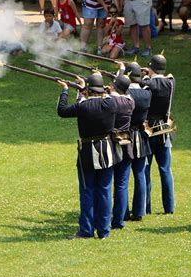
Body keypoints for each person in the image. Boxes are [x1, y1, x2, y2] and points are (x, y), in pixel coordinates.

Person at [57, 73, 117, 239]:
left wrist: (65, 90)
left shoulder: (83, 106)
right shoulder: (111, 104)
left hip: (88, 152)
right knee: (104, 191)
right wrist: (84, 88)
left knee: (87, 191)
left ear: (89, 90)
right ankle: (104, 231)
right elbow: (105, 95)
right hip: (107, 150)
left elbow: (62, 111)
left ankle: (86, 230)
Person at [143, 54, 175, 215]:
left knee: (145, 170)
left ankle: (145, 207)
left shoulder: (147, 84)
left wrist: (144, 75)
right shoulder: (170, 82)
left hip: (148, 129)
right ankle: (169, 207)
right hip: (164, 129)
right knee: (165, 169)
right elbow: (167, 77)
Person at [122, 61, 152, 221]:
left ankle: (123, 212)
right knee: (140, 175)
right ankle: (139, 211)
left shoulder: (125, 94)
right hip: (141, 135)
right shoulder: (147, 93)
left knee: (124, 177)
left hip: (126, 137)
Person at [109, 73, 135, 229]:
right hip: (126, 144)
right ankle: (119, 220)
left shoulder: (110, 101)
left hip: (111, 145)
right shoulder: (130, 101)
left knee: (105, 184)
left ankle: (106, 217)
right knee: (121, 185)